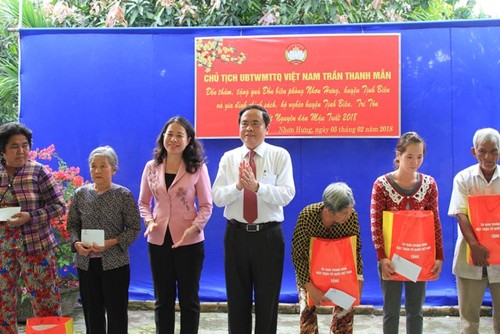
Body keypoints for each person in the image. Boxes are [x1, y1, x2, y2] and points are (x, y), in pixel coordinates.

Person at [212, 104, 296, 334]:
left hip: (268, 235)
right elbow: (217, 197)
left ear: (267, 128)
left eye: (255, 123)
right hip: (236, 234)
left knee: (267, 300)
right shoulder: (229, 158)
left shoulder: (279, 155)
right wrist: (239, 186)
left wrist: (257, 187)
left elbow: (287, 194)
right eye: (244, 123)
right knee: (237, 300)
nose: (249, 128)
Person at [138, 116, 212, 334]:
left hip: (189, 241)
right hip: (158, 239)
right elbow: (143, 202)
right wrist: (150, 221)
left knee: (189, 300)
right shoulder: (151, 167)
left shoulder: (197, 168)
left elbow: (207, 205)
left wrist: (194, 228)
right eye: (169, 134)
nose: (173, 139)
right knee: (163, 300)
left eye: (179, 135)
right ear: (163, 137)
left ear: (188, 140)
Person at [370, 131, 444, 334]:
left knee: (415, 311)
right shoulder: (382, 185)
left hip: (418, 257)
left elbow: (434, 221)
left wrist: (438, 255)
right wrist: (382, 257)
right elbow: (375, 224)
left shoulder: (429, 184)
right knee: (391, 311)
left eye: (419, 156)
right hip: (392, 259)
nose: (415, 162)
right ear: (398, 155)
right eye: (409, 156)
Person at [0, 122, 66, 333]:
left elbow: (59, 207)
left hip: (36, 248)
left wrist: (31, 216)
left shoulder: (39, 172)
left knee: (47, 304)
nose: (21, 151)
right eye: (14, 146)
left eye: (25, 145)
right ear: (2, 150)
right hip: (3, 251)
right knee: (3, 305)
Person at [68, 145, 141, 333]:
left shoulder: (123, 195)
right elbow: (72, 225)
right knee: (92, 313)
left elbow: (134, 228)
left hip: (115, 264)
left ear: (114, 169)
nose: (97, 170)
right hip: (86, 264)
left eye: (103, 166)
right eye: (93, 166)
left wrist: (112, 242)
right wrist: (76, 244)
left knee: (117, 313)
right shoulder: (80, 194)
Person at [292, 182, 363, 334]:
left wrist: (358, 279)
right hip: (309, 274)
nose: (349, 215)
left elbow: (355, 251)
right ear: (330, 210)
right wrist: (309, 286)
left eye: (350, 210)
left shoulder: (352, 218)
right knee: (307, 312)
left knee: (346, 309)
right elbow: (297, 255)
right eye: (344, 212)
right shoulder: (307, 216)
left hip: (340, 274)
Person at [448, 127, 500, 334]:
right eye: (482, 151)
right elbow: (461, 214)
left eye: (494, 151)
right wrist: (475, 246)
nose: (488, 157)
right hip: (469, 256)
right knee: (469, 321)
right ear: (473, 152)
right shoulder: (463, 178)